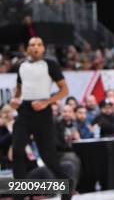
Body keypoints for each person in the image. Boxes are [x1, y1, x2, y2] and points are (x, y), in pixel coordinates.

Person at [10, 36, 72, 200]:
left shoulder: (50, 65)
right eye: (32, 45)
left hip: (42, 113)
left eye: (39, 45)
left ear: (43, 48)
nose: (35, 47)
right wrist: (14, 101)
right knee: (17, 151)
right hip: (24, 111)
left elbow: (64, 90)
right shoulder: (21, 66)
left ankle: (66, 185)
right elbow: (18, 91)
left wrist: (47, 102)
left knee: (49, 158)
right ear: (27, 48)